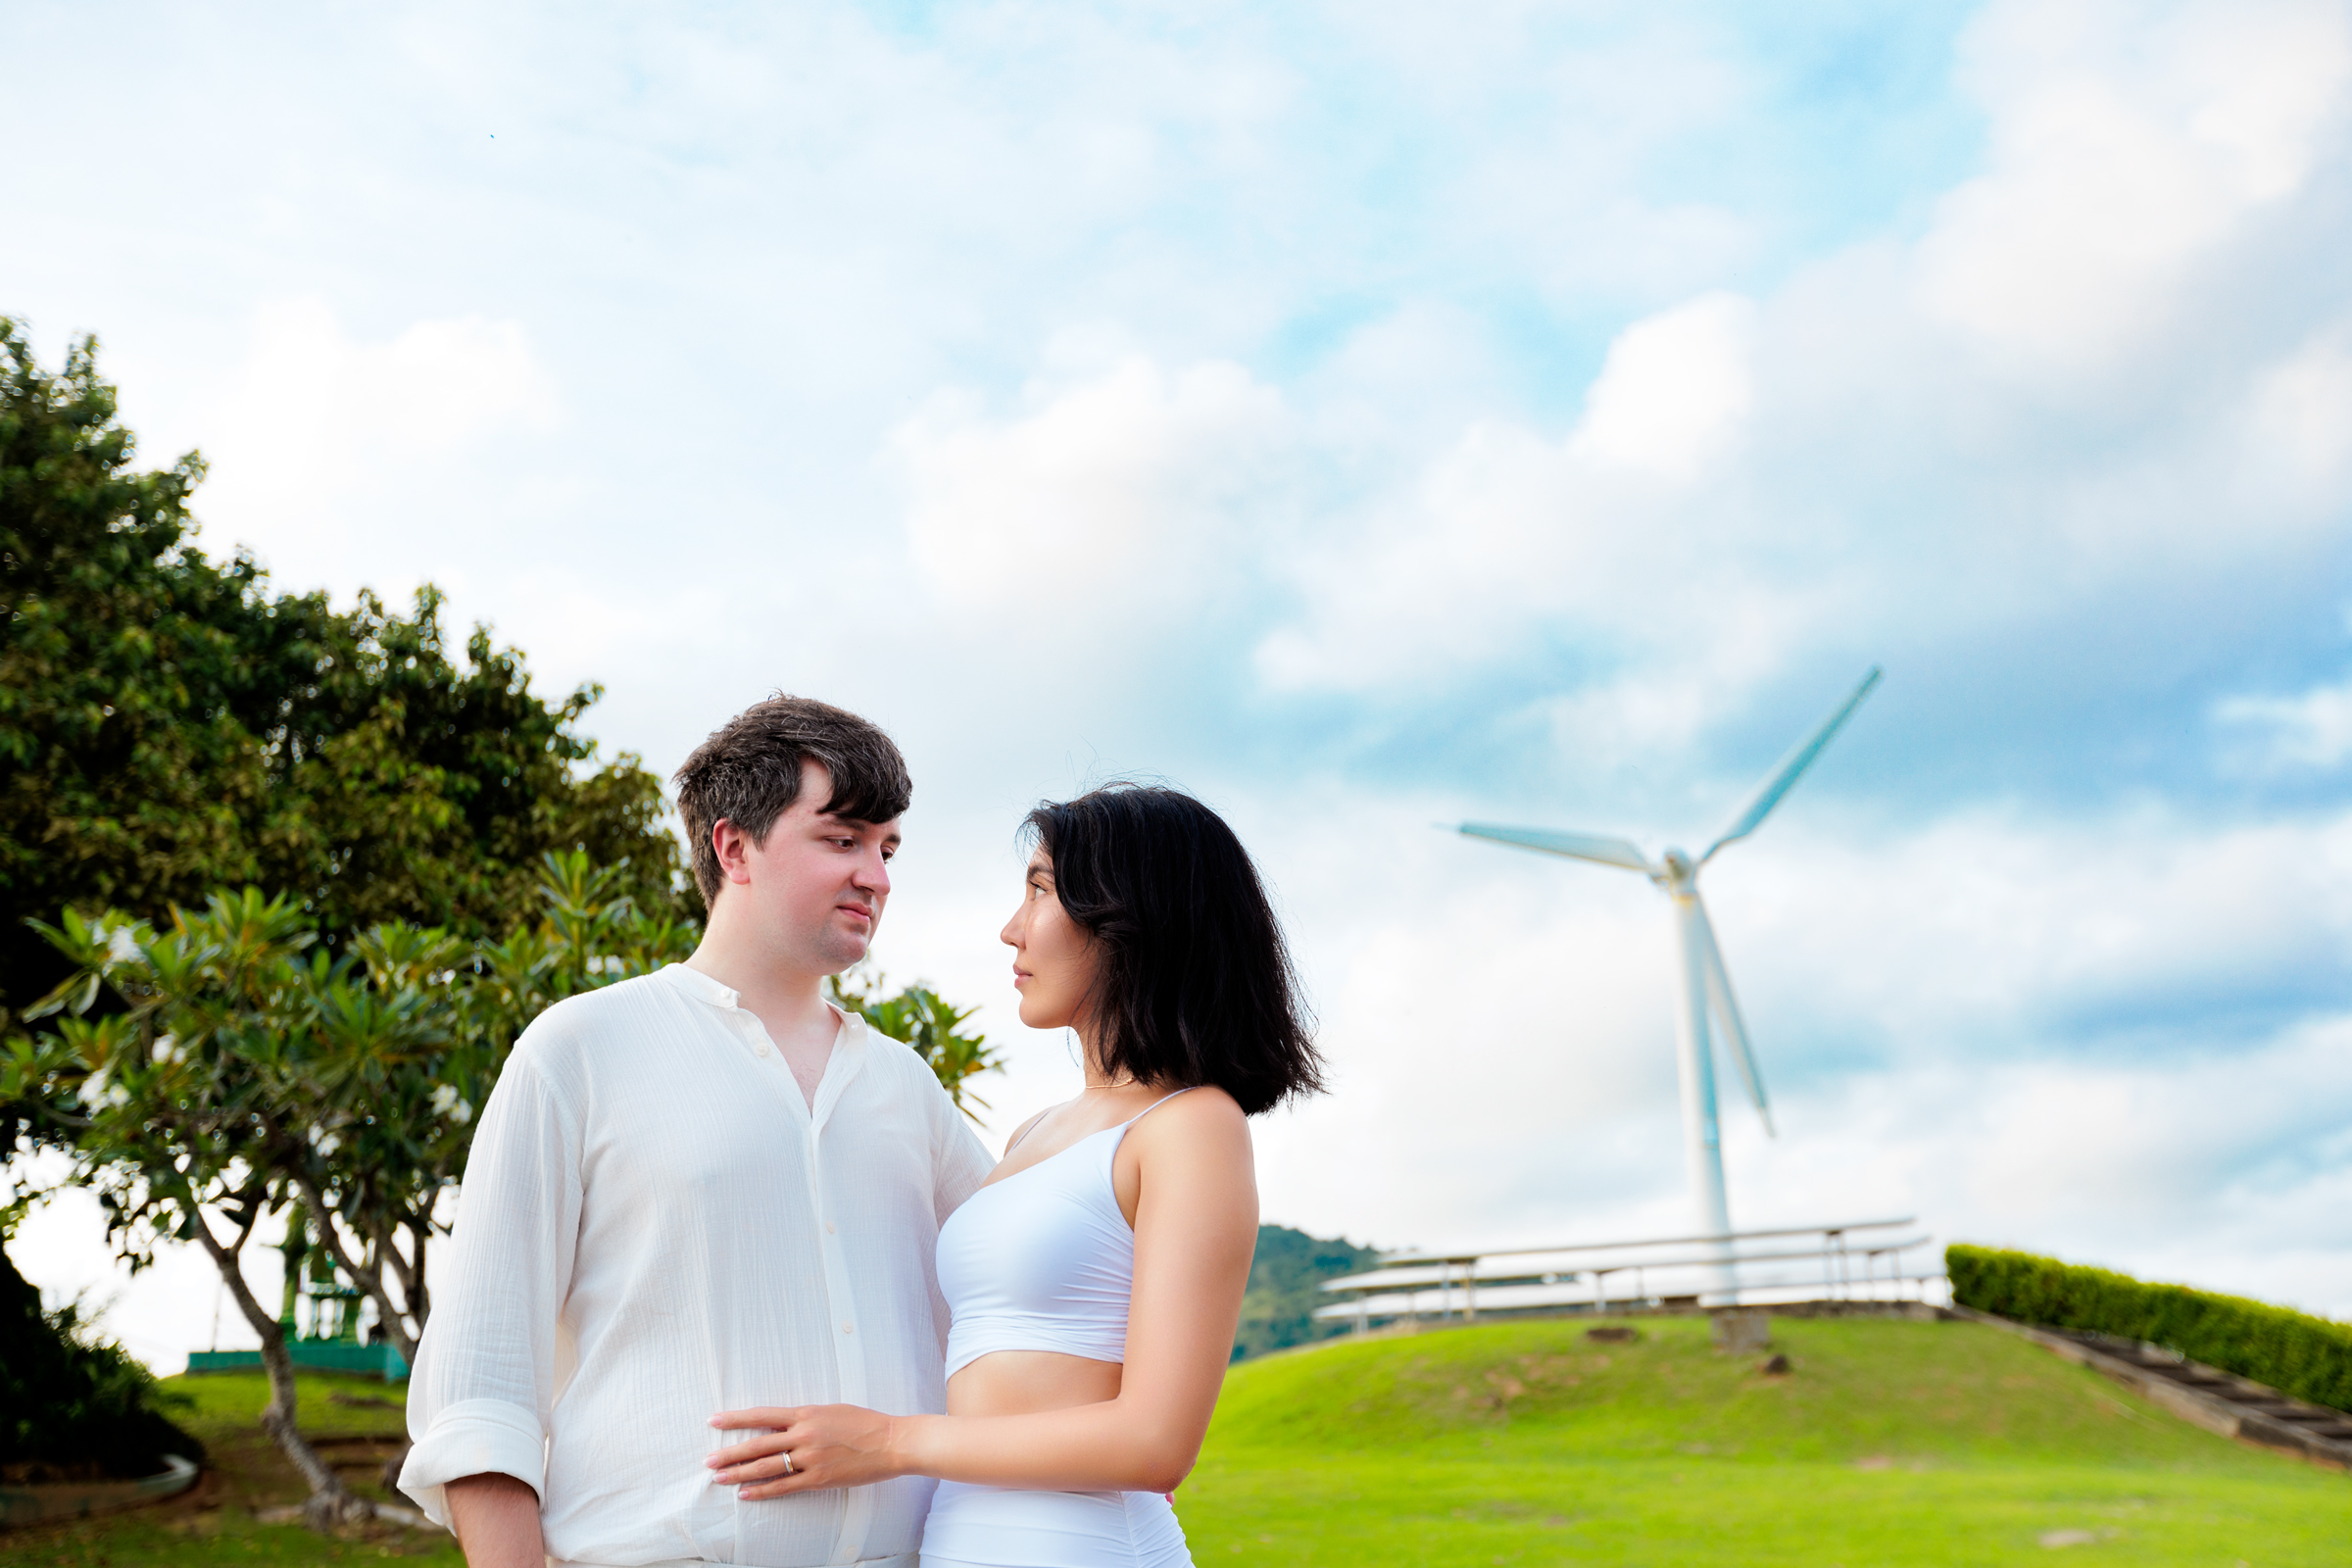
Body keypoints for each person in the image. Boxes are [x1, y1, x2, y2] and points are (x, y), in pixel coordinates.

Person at [399, 697, 995, 1568]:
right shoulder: (579, 1049)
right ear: (734, 847)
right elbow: (480, 1386)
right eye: (843, 839)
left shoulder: (907, 1085)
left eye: (888, 848)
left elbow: (1028, 1300)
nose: (877, 876)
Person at [704, 783, 1324, 1568]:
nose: (1011, 929)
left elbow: (1156, 1443)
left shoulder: (1192, 1126)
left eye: (1040, 891)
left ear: (1128, 918)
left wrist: (891, 1442)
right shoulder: (1034, 1133)